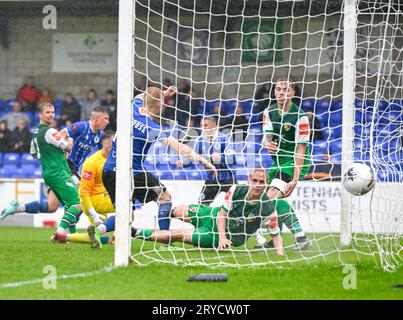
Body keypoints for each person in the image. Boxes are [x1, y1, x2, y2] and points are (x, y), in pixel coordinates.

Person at [102, 86, 217, 233]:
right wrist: (206, 163)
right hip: (131, 172)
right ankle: (165, 240)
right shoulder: (152, 127)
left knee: (126, 216)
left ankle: (98, 229)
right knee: (165, 197)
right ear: (158, 106)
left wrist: (161, 94)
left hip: (108, 172)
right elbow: (181, 148)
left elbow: (142, 96)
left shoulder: (133, 109)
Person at [132, 169, 284, 255]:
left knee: (178, 234)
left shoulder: (268, 208)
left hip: (219, 236)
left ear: (266, 184)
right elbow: (222, 215)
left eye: (261, 182)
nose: (257, 185)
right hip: (213, 215)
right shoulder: (236, 190)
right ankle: (162, 219)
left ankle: (135, 232)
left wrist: (280, 255)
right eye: (254, 181)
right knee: (179, 210)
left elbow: (276, 234)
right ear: (249, 181)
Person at [0, 106, 109, 220]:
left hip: (69, 168)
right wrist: (62, 149)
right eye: (105, 118)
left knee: (52, 206)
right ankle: (66, 231)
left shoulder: (99, 135)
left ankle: (18, 207)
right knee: (80, 200)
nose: (107, 122)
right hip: (66, 166)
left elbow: (104, 154)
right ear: (97, 118)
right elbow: (62, 133)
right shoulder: (82, 127)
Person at [256, 77, 312, 250]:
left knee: (272, 196)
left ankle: (301, 238)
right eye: (278, 89)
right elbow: (267, 139)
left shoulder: (300, 116)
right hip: (277, 162)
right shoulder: (268, 112)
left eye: (286, 89)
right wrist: (268, 144)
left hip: (293, 161)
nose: (281, 93)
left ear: (293, 93)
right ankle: (276, 240)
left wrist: (295, 179)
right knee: (270, 199)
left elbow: (300, 150)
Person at [14, 103, 81, 237]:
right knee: (77, 203)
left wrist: (51, 153)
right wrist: (71, 139)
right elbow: (67, 147)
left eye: (52, 112)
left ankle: (73, 235)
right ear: (40, 115)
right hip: (59, 172)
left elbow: (33, 153)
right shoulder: (50, 131)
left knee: (56, 206)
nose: (51, 115)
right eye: (47, 112)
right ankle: (61, 233)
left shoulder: (35, 133)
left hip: (49, 172)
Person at [52, 132, 116, 248]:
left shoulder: (115, 158)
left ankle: (63, 236)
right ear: (107, 143)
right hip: (93, 199)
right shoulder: (92, 162)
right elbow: (84, 191)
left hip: (102, 196)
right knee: (126, 207)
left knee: (103, 238)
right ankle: (61, 230)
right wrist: (93, 214)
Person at [176, 116, 236, 206]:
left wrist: (221, 158)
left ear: (215, 127)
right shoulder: (199, 140)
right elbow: (193, 157)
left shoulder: (224, 139)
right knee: (202, 206)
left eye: (206, 125)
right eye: (201, 125)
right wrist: (184, 163)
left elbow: (233, 159)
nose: (202, 128)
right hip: (211, 179)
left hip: (227, 178)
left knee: (235, 205)